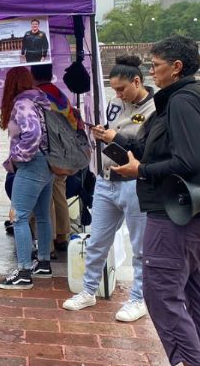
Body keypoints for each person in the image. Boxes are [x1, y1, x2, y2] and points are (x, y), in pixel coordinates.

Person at [111, 36, 200, 366]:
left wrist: (142, 170)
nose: (152, 72)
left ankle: (188, 361)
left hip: (177, 215)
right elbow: (173, 149)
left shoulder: (182, 101)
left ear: (177, 67)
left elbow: (189, 161)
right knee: (198, 292)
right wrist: (122, 143)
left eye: (155, 66)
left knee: (161, 294)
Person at [63, 55, 154, 323]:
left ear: (137, 82)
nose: (118, 94)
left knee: (141, 247)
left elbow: (150, 150)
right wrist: (102, 134)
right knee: (96, 241)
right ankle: (88, 290)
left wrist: (118, 138)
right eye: (114, 89)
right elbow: (113, 131)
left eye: (122, 88)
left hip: (136, 184)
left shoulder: (155, 110)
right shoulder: (115, 104)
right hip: (106, 180)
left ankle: (138, 298)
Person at [0, 66, 54, 290]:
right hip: (47, 163)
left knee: (18, 217)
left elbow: (33, 134)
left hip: (32, 164)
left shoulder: (22, 104)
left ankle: (23, 272)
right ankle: (44, 263)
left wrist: (17, 157)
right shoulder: (40, 101)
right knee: (41, 215)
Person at [30, 64, 79, 254]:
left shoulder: (35, 96)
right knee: (59, 192)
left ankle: (47, 245)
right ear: (51, 74)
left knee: (45, 199)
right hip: (65, 152)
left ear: (32, 75)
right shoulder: (60, 95)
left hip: (47, 152)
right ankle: (63, 236)